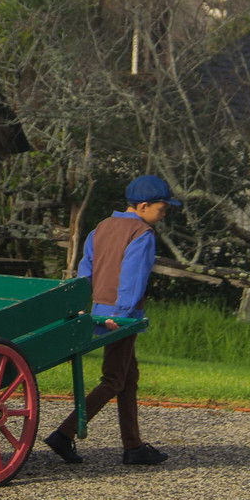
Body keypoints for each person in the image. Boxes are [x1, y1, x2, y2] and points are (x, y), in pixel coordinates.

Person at [44, 175, 180, 466]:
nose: (164, 212)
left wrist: (81, 307)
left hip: (97, 311)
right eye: (162, 207)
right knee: (114, 379)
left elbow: (85, 271)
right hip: (121, 316)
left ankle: (133, 446)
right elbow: (132, 279)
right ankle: (63, 434)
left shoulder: (100, 228)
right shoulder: (141, 233)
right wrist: (122, 315)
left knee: (128, 377)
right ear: (143, 206)